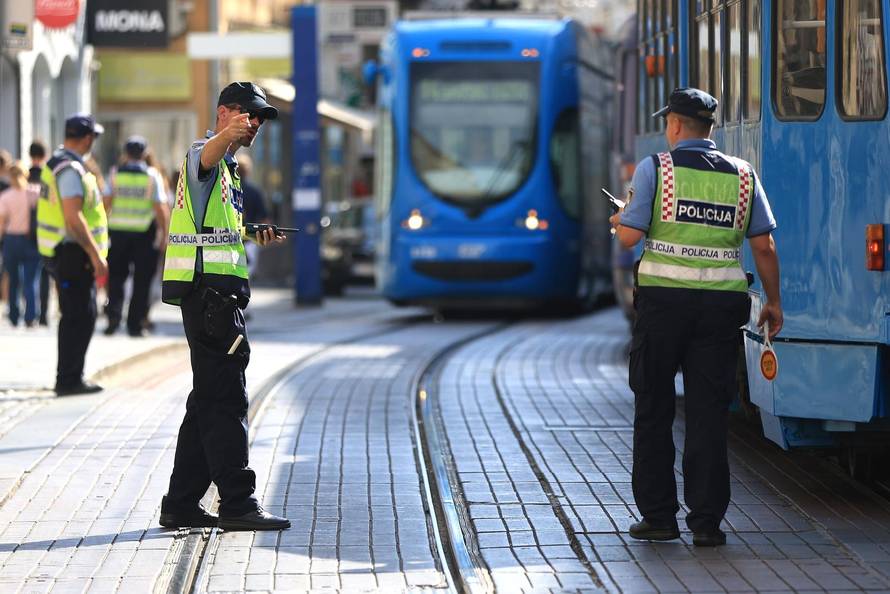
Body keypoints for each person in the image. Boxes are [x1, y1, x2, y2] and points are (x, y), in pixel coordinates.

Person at [609, 88, 783, 547]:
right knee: (709, 414)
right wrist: (774, 302)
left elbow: (628, 239)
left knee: (654, 408)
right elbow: (763, 245)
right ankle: (706, 523)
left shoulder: (656, 170)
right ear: (711, 129)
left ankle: (659, 518)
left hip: (664, 306)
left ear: (674, 125)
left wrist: (621, 218)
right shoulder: (743, 176)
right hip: (720, 310)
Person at [159, 82, 290, 531]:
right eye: (247, 116)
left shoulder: (228, 171)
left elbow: (213, 231)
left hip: (216, 298)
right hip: (210, 300)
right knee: (227, 399)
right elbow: (205, 157)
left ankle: (178, 503)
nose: (254, 125)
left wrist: (253, 231)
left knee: (206, 402)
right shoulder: (205, 155)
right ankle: (237, 503)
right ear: (224, 113)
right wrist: (228, 134)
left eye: (258, 119)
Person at [36, 113, 109, 396]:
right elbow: (73, 217)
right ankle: (68, 379)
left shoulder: (58, 163)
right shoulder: (69, 169)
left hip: (66, 252)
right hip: (72, 254)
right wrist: (95, 255)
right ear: (88, 138)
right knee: (79, 315)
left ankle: (71, 376)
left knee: (80, 314)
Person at [103, 136, 169, 337]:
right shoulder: (152, 176)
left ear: (125, 153)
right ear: (145, 154)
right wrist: (165, 234)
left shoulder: (114, 174)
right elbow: (160, 208)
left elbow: (106, 202)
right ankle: (135, 325)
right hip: (144, 235)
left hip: (118, 234)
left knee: (116, 278)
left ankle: (113, 317)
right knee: (142, 282)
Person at [0, 161, 40, 327]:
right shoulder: (35, 193)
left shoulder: (6, 196)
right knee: (30, 281)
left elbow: (2, 222)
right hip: (31, 240)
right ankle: (30, 316)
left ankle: (14, 315)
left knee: (13, 280)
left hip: (11, 240)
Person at [236, 154, 270, 279]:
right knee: (246, 274)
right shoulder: (255, 191)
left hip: (231, 239)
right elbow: (264, 218)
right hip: (251, 239)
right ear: (248, 171)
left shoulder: (229, 189)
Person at [28, 141, 51, 326]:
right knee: (44, 274)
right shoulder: (48, 176)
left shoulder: (24, 175)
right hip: (46, 231)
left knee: (27, 275)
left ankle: (29, 313)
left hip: (25, 232)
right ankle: (43, 315)